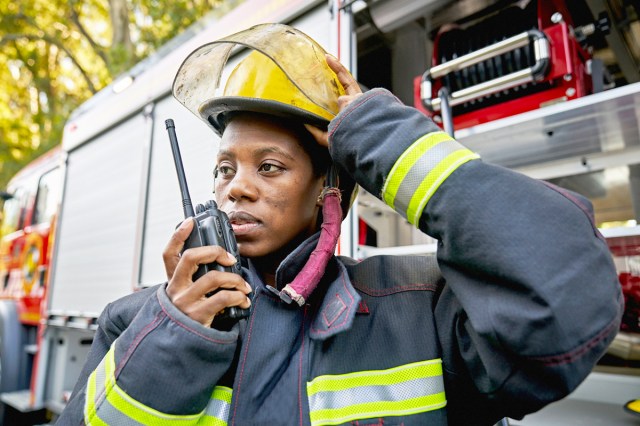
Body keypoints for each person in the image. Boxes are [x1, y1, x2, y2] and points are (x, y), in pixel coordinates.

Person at [57, 24, 623, 426]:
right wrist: (174, 334)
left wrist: (382, 139)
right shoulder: (135, 322)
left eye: (269, 167)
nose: (236, 188)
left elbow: (564, 295)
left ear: (330, 193)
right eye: (224, 169)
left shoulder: (422, 311)